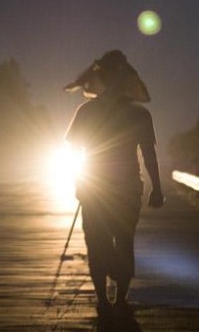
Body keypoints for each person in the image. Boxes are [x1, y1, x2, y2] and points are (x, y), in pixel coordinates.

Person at [63, 50, 164, 314]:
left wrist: (78, 181)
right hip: (124, 188)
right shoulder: (138, 114)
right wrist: (156, 187)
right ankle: (118, 299)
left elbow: (74, 150)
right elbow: (149, 154)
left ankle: (104, 300)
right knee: (123, 240)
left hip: (96, 188)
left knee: (97, 243)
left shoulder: (87, 111)